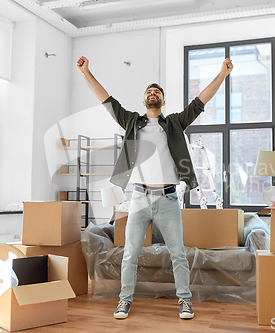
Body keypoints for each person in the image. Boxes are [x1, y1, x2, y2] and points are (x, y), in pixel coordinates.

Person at [76, 56, 233, 320]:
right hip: (139, 198)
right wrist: (85, 72)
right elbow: (106, 100)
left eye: (157, 92)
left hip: (169, 200)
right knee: (130, 255)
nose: (152, 93)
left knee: (178, 254)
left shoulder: (173, 123)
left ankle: (185, 301)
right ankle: (124, 301)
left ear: (162, 100)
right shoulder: (131, 122)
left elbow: (200, 101)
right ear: (143, 101)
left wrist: (222, 75)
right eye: (149, 92)